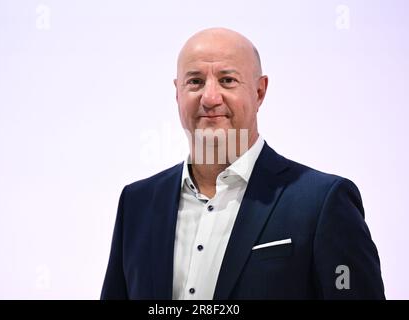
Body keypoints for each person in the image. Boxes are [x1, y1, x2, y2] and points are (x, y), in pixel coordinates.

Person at [101, 28, 385, 299]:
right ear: (177, 92)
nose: (210, 98)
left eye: (227, 80)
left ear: (260, 92)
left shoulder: (323, 202)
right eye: (195, 81)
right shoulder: (137, 203)